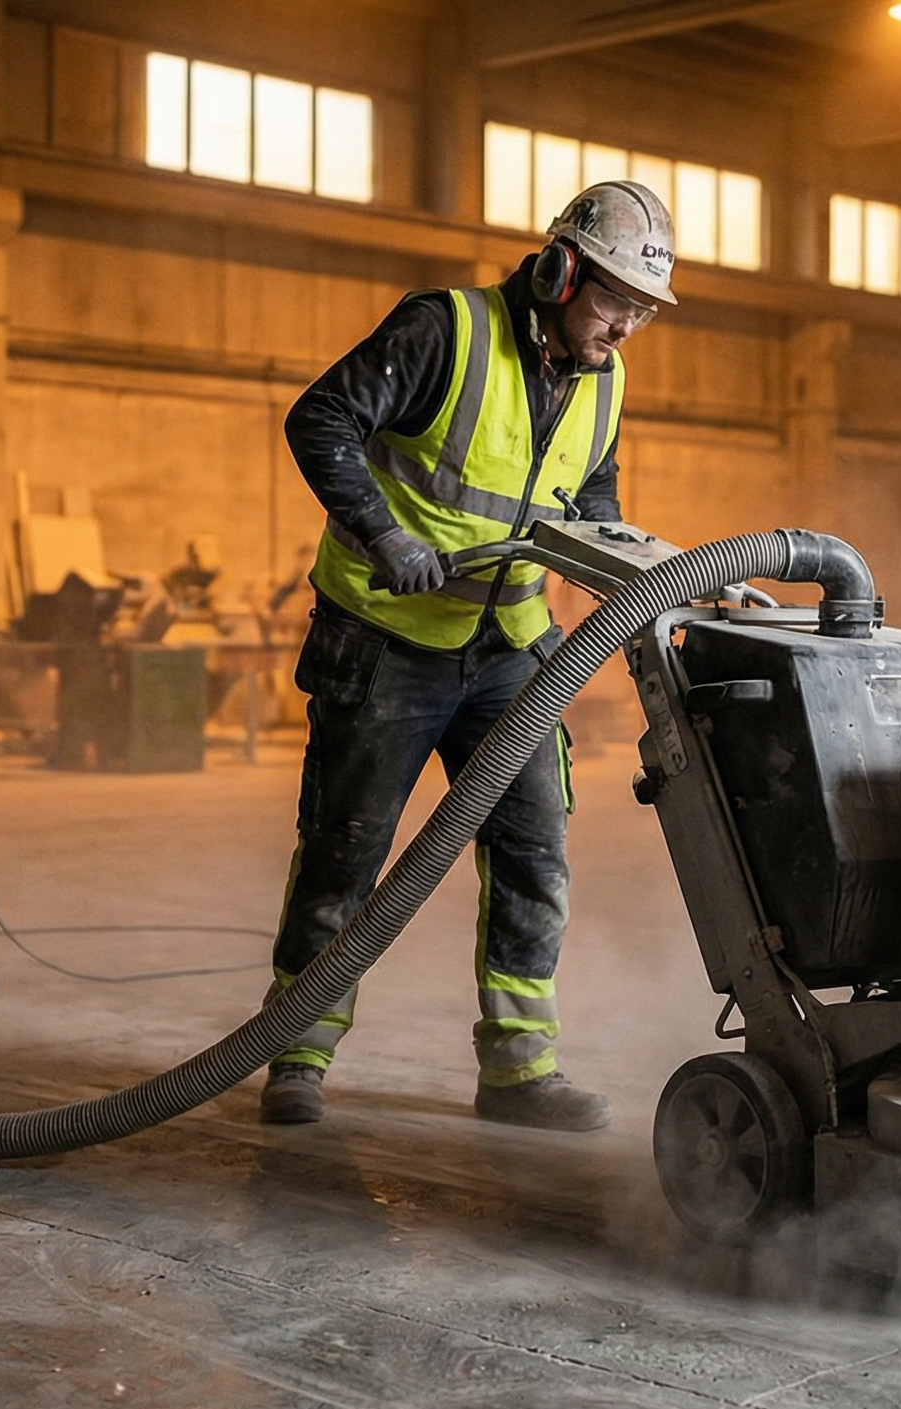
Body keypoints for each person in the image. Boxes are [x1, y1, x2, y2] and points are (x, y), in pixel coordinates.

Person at [258, 181, 676, 1130]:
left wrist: (620, 562)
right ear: (560, 272)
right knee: (346, 851)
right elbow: (321, 419)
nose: (626, 330)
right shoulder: (447, 331)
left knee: (534, 852)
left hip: (509, 649)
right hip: (388, 639)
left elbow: (593, 493)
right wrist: (384, 536)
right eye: (615, 303)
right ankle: (298, 1051)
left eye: (644, 312)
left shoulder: (603, 376)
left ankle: (520, 1071)